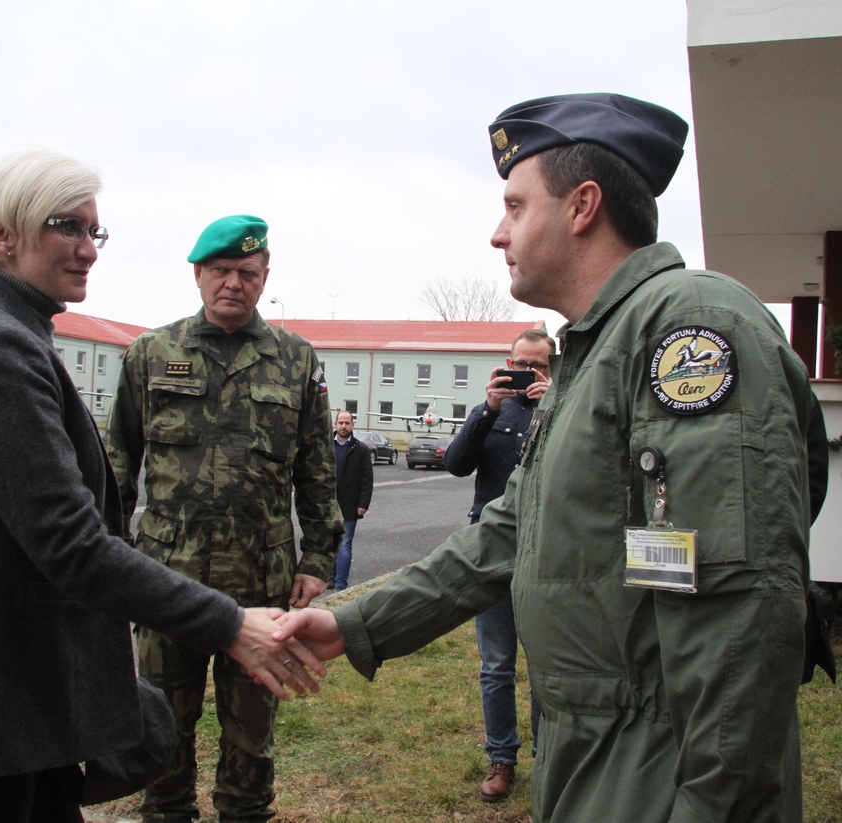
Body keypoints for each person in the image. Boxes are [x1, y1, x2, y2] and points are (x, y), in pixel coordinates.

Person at [274, 93, 812, 823]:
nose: (499, 234)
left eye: (516, 207)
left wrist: (716, 802)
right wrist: (355, 624)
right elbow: (505, 533)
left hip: (660, 762)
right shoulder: (593, 354)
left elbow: (735, 603)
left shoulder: (685, 326)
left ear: (583, 205)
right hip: (589, 747)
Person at [0, 151, 323, 823]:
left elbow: (312, 469)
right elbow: (72, 540)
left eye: (94, 231)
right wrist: (230, 622)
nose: (88, 249)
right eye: (68, 225)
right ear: (1, 235)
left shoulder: (15, 332)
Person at [105, 215, 340, 823]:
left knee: (250, 747)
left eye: (247, 272)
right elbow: (116, 466)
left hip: (261, 588)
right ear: (198, 274)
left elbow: (318, 470)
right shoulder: (150, 354)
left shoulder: (296, 359)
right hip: (166, 583)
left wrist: (316, 561)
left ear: (265, 278)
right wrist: (107, 562)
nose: (232, 283)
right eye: (220, 271)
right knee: (158, 737)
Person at [443, 328, 554, 801]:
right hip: (493, 553)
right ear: (506, 363)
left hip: (550, 553)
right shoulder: (493, 411)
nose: (529, 373)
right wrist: (487, 408)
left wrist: (556, 403)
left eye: (540, 366)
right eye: (521, 364)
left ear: (553, 369)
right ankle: (501, 758)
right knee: (497, 665)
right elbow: (455, 464)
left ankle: (548, 759)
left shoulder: (565, 408)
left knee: (549, 665)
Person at [330, 410, 374, 591]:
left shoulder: (360, 449)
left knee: (345, 543)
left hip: (350, 505)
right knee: (329, 543)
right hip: (328, 504)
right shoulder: (326, 445)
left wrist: (363, 503)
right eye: (340, 423)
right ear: (335, 424)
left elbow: (367, 479)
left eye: (347, 423)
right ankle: (330, 578)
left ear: (352, 425)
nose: (343, 426)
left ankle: (341, 583)